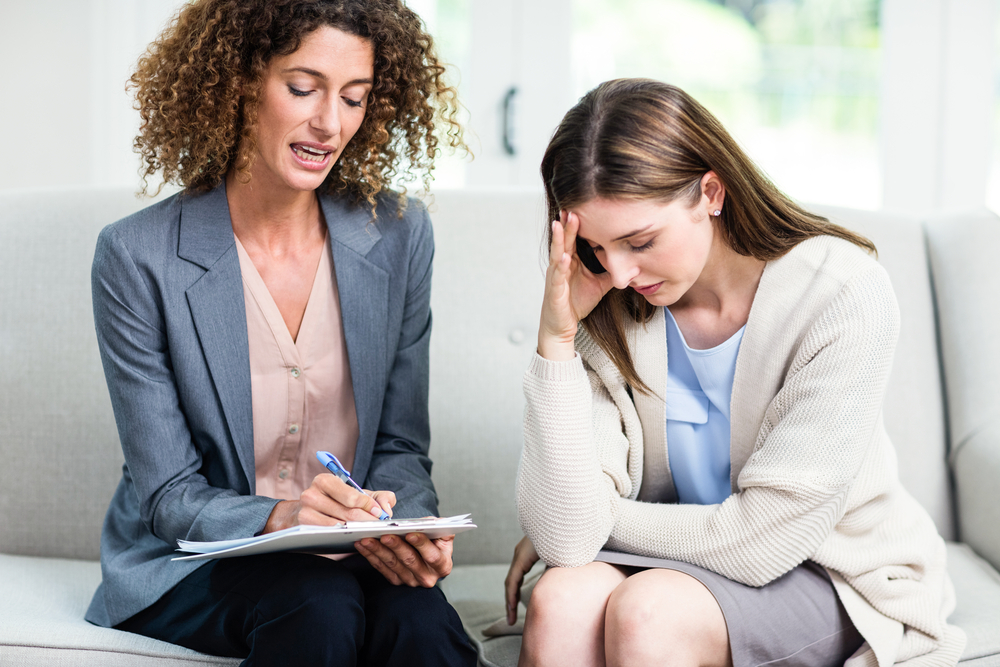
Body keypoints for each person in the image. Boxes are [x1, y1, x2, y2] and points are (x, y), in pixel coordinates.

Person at [504, 79, 965, 667]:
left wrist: (598, 519)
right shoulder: (604, 301)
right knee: (561, 599)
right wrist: (557, 340)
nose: (618, 273)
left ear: (711, 193)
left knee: (648, 613)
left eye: (640, 241)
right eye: (596, 247)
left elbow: (764, 540)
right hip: (680, 562)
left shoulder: (842, 293)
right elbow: (567, 542)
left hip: (832, 569)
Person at [84, 1, 477, 665]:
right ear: (240, 79)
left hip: (347, 551)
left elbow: (400, 444)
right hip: (194, 561)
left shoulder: (401, 235)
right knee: (317, 602)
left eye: (354, 98)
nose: (330, 123)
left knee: (424, 623)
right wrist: (281, 517)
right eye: (303, 88)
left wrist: (402, 525)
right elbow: (169, 495)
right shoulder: (136, 256)